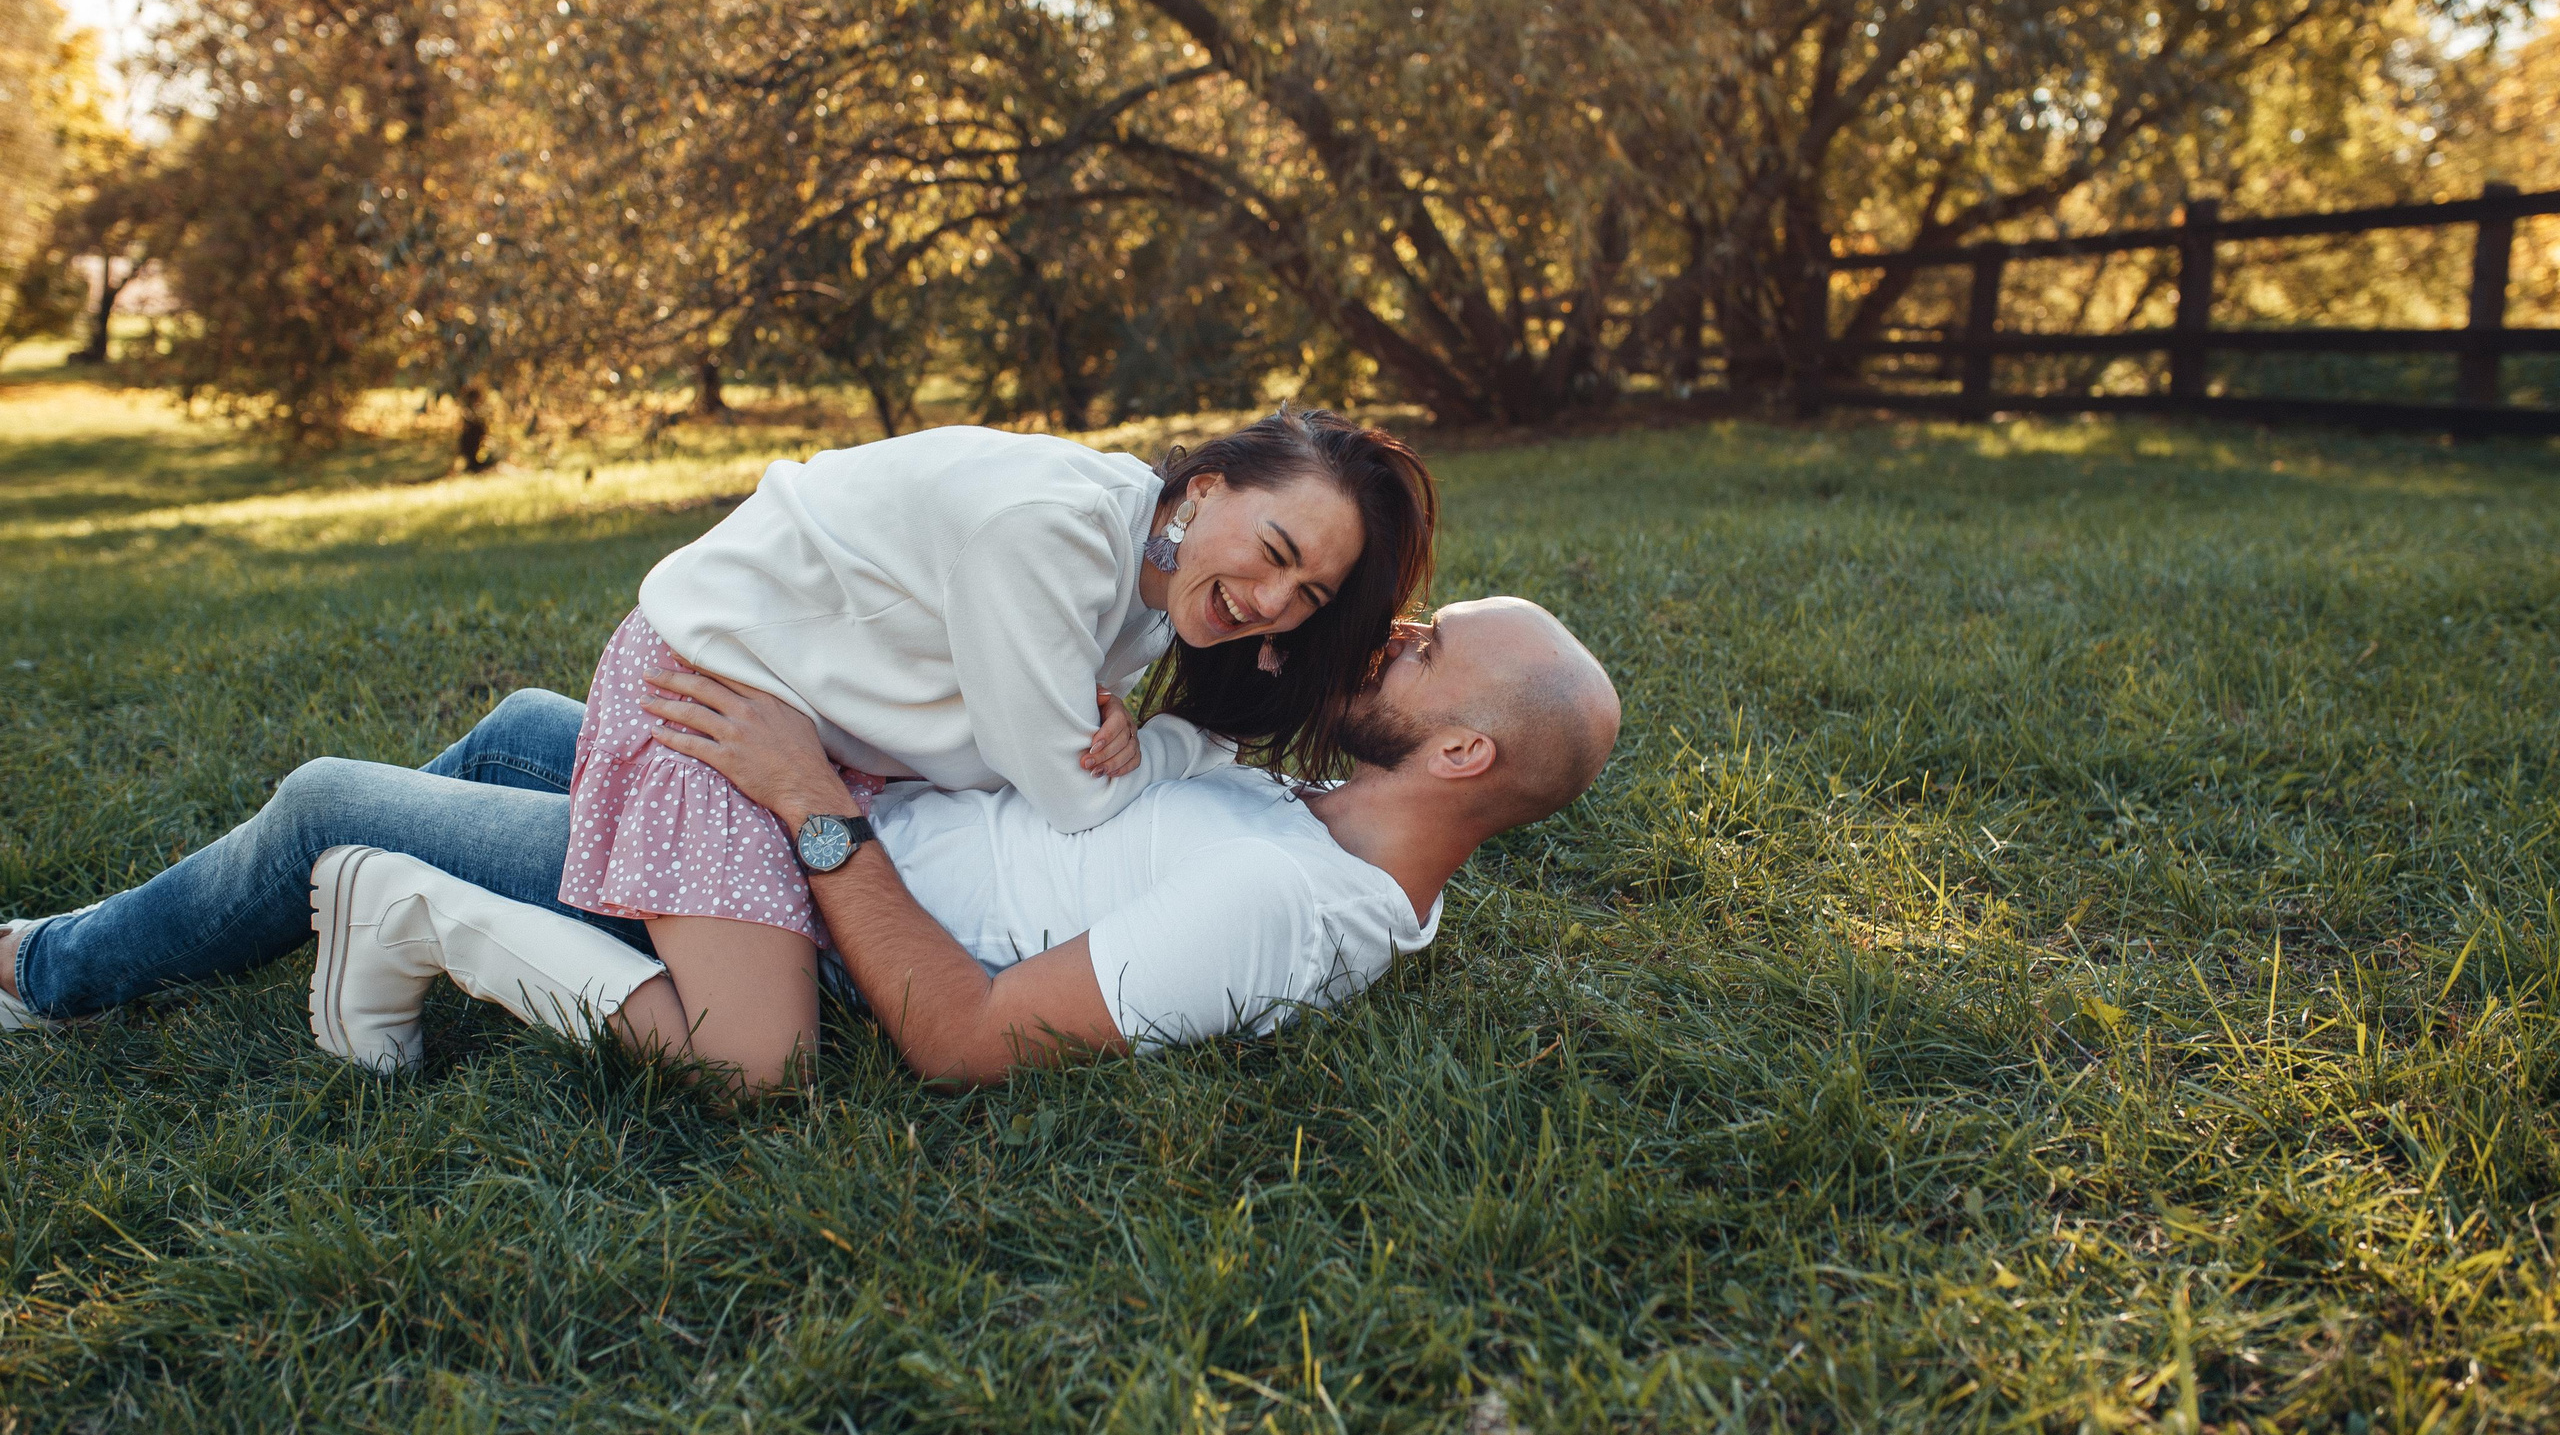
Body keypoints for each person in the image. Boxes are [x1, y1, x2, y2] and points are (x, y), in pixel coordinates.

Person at [1, 411, 1437, 1086]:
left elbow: (1024, 745)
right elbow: (1062, 789)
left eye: (1305, 599)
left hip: (793, 716)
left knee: (585, 819)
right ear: (1210, 481)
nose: (1267, 602)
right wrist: (1179, 756)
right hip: (723, 703)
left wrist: (1146, 729)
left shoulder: (1134, 577)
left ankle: (525, 752)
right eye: (1277, 548)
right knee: (755, 1061)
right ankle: (69, 960)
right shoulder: (1052, 535)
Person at [7, 600, 1618, 1096]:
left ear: (1466, 751)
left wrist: (813, 806)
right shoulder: (1331, 842)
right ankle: (264, 924)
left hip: (791, 895)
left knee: (332, 800)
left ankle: (44, 971)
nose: (1389, 628)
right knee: (519, 727)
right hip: (820, 821)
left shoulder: (1288, 901)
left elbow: (968, 1037)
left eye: (1424, 647)